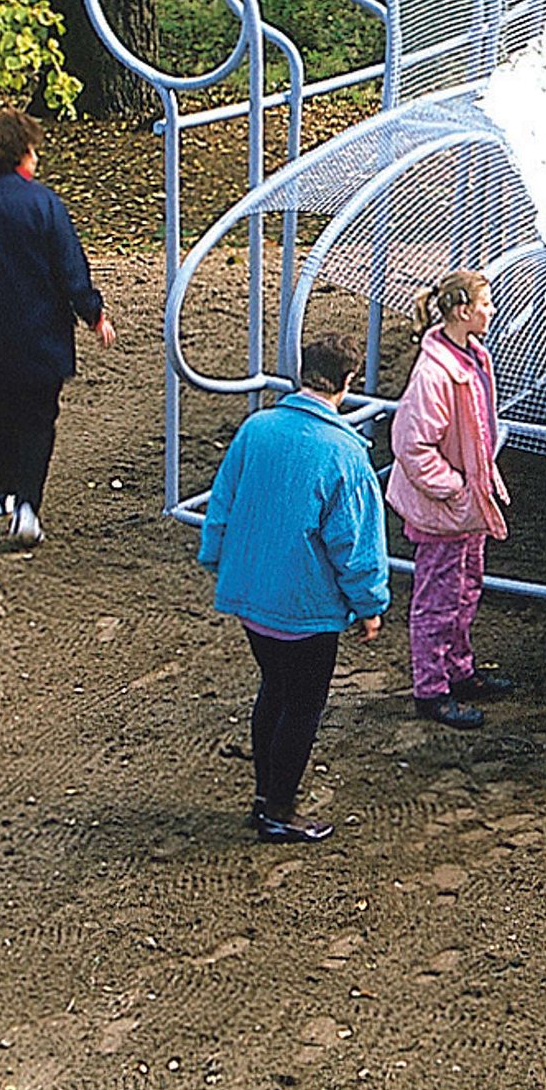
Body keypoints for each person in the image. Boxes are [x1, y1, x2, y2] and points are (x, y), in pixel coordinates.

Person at [198, 333, 390, 844]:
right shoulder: (345, 454)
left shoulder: (257, 428)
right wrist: (370, 605)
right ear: (349, 383)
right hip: (304, 606)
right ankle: (279, 810)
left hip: (251, 596)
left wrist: (216, 557)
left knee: (274, 692)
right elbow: (355, 543)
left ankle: (265, 797)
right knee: (302, 705)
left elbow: (223, 500)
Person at [0, 107, 116, 548]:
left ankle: (3, 493)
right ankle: (29, 503)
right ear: (20, 154)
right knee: (38, 418)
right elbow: (72, 270)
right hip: (43, 336)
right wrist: (94, 314)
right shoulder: (45, 204)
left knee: (0, 410)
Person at [386, 271, 512, 732]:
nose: (491, 310)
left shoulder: (470, 356)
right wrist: (454, 487)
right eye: (485, 303)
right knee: (437, 597)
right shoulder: (435, 373)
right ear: (463, 311)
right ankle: (431, 689)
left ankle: (458, 671)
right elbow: (411, 444)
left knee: (464, 587)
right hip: (448, 508)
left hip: (465, 503)